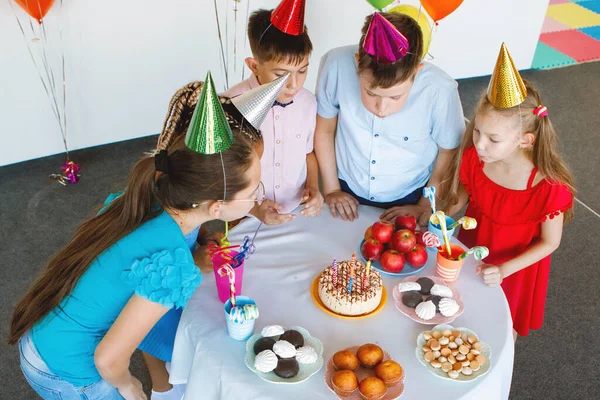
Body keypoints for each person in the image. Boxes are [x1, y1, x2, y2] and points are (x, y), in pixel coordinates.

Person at [9, 82, 263, 399]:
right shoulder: (172, 267)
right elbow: (107, 358)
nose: (257, 199)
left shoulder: (145, 199)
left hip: (43, 334)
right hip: (69, 372)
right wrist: (127, 384)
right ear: (216, 207)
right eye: (253, 193)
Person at [440, 44, 575, 339]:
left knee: (502, 327)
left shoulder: (549, 188)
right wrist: (443, 216)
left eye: (493, 139)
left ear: (525, 140)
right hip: (474, 248)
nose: (479, 144)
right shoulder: (478, 160)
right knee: (462, 308)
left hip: (514, 268)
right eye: (477, 131)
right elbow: (463, 196)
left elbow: (550, 243)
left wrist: (504, 270)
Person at [315, 11, 465, 225]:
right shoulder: (335, 64)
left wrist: (424, 204)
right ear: (358, 63)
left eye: (395, 96)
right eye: (371, 93)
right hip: (348, 184)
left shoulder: (440, 89)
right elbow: (325, 129)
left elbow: (448, 151)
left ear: (417, 71)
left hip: (409, 194)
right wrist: (331, 189)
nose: (382, 109)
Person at [223, 1, 324, 225]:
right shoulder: (230, 106)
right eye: (281, 74)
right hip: (242, 216)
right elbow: (221, 175)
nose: (294, 85)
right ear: (254, 66)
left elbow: (308, 153)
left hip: (295, 209)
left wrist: (314, 188)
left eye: (303, 70)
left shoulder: (308, 102)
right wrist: (257, 209)